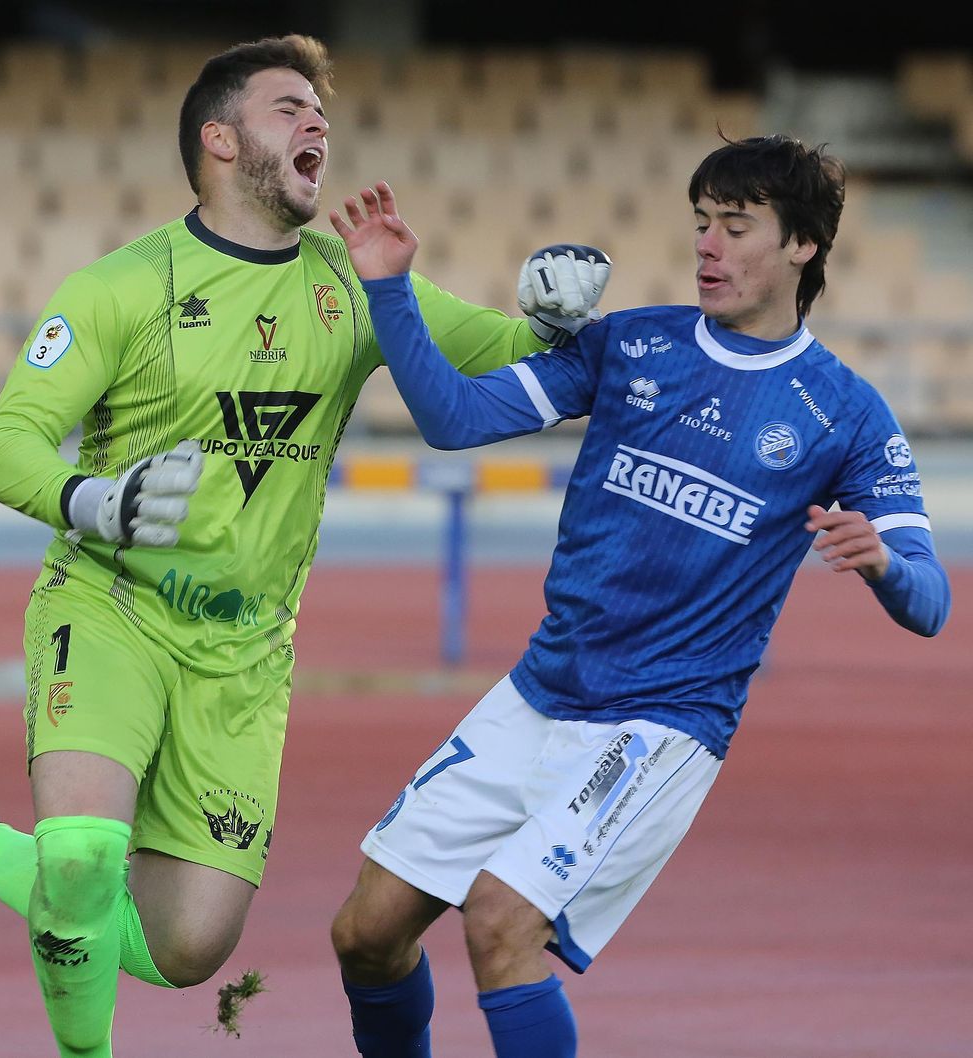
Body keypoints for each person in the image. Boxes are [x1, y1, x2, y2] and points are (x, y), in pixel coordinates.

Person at [0, 35, 608, 1057]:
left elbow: (513, 354)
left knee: (186, 948)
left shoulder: (350, 284)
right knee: (87, 858)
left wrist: (563, 314)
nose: (317, 122)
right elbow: (3, 447)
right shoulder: (122, 285)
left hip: (245, 657)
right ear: (218, 140)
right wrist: (95, 502)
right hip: (110, 609)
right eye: (288, 108)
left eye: (321, 110)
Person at [323, 138, 951, 1057]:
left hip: (659, 725)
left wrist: (887, 567)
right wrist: (387, 287)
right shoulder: (630, 343)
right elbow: (453, 418)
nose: (708, 247)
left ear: (803, 246)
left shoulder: (846, 413)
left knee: (500, 924)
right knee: (365, 935)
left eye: (736, 228)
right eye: (702, 224)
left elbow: (931, 600)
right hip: (541, 692)